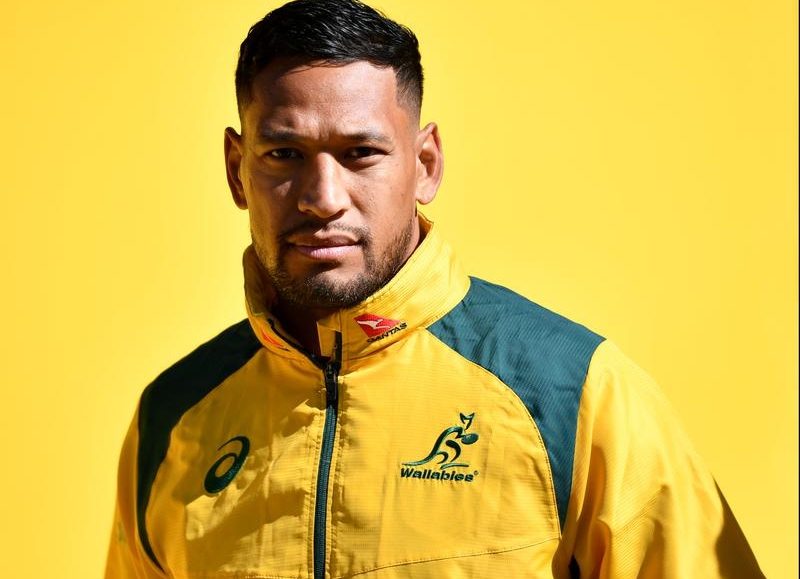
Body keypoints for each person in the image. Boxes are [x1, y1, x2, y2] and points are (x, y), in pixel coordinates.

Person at [105, 0, 764, 577]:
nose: (322, 197)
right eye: (284, 155)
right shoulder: (174, 419)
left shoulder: (577, 393)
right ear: (236, 169)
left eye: (360, 153)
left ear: (425, 165)